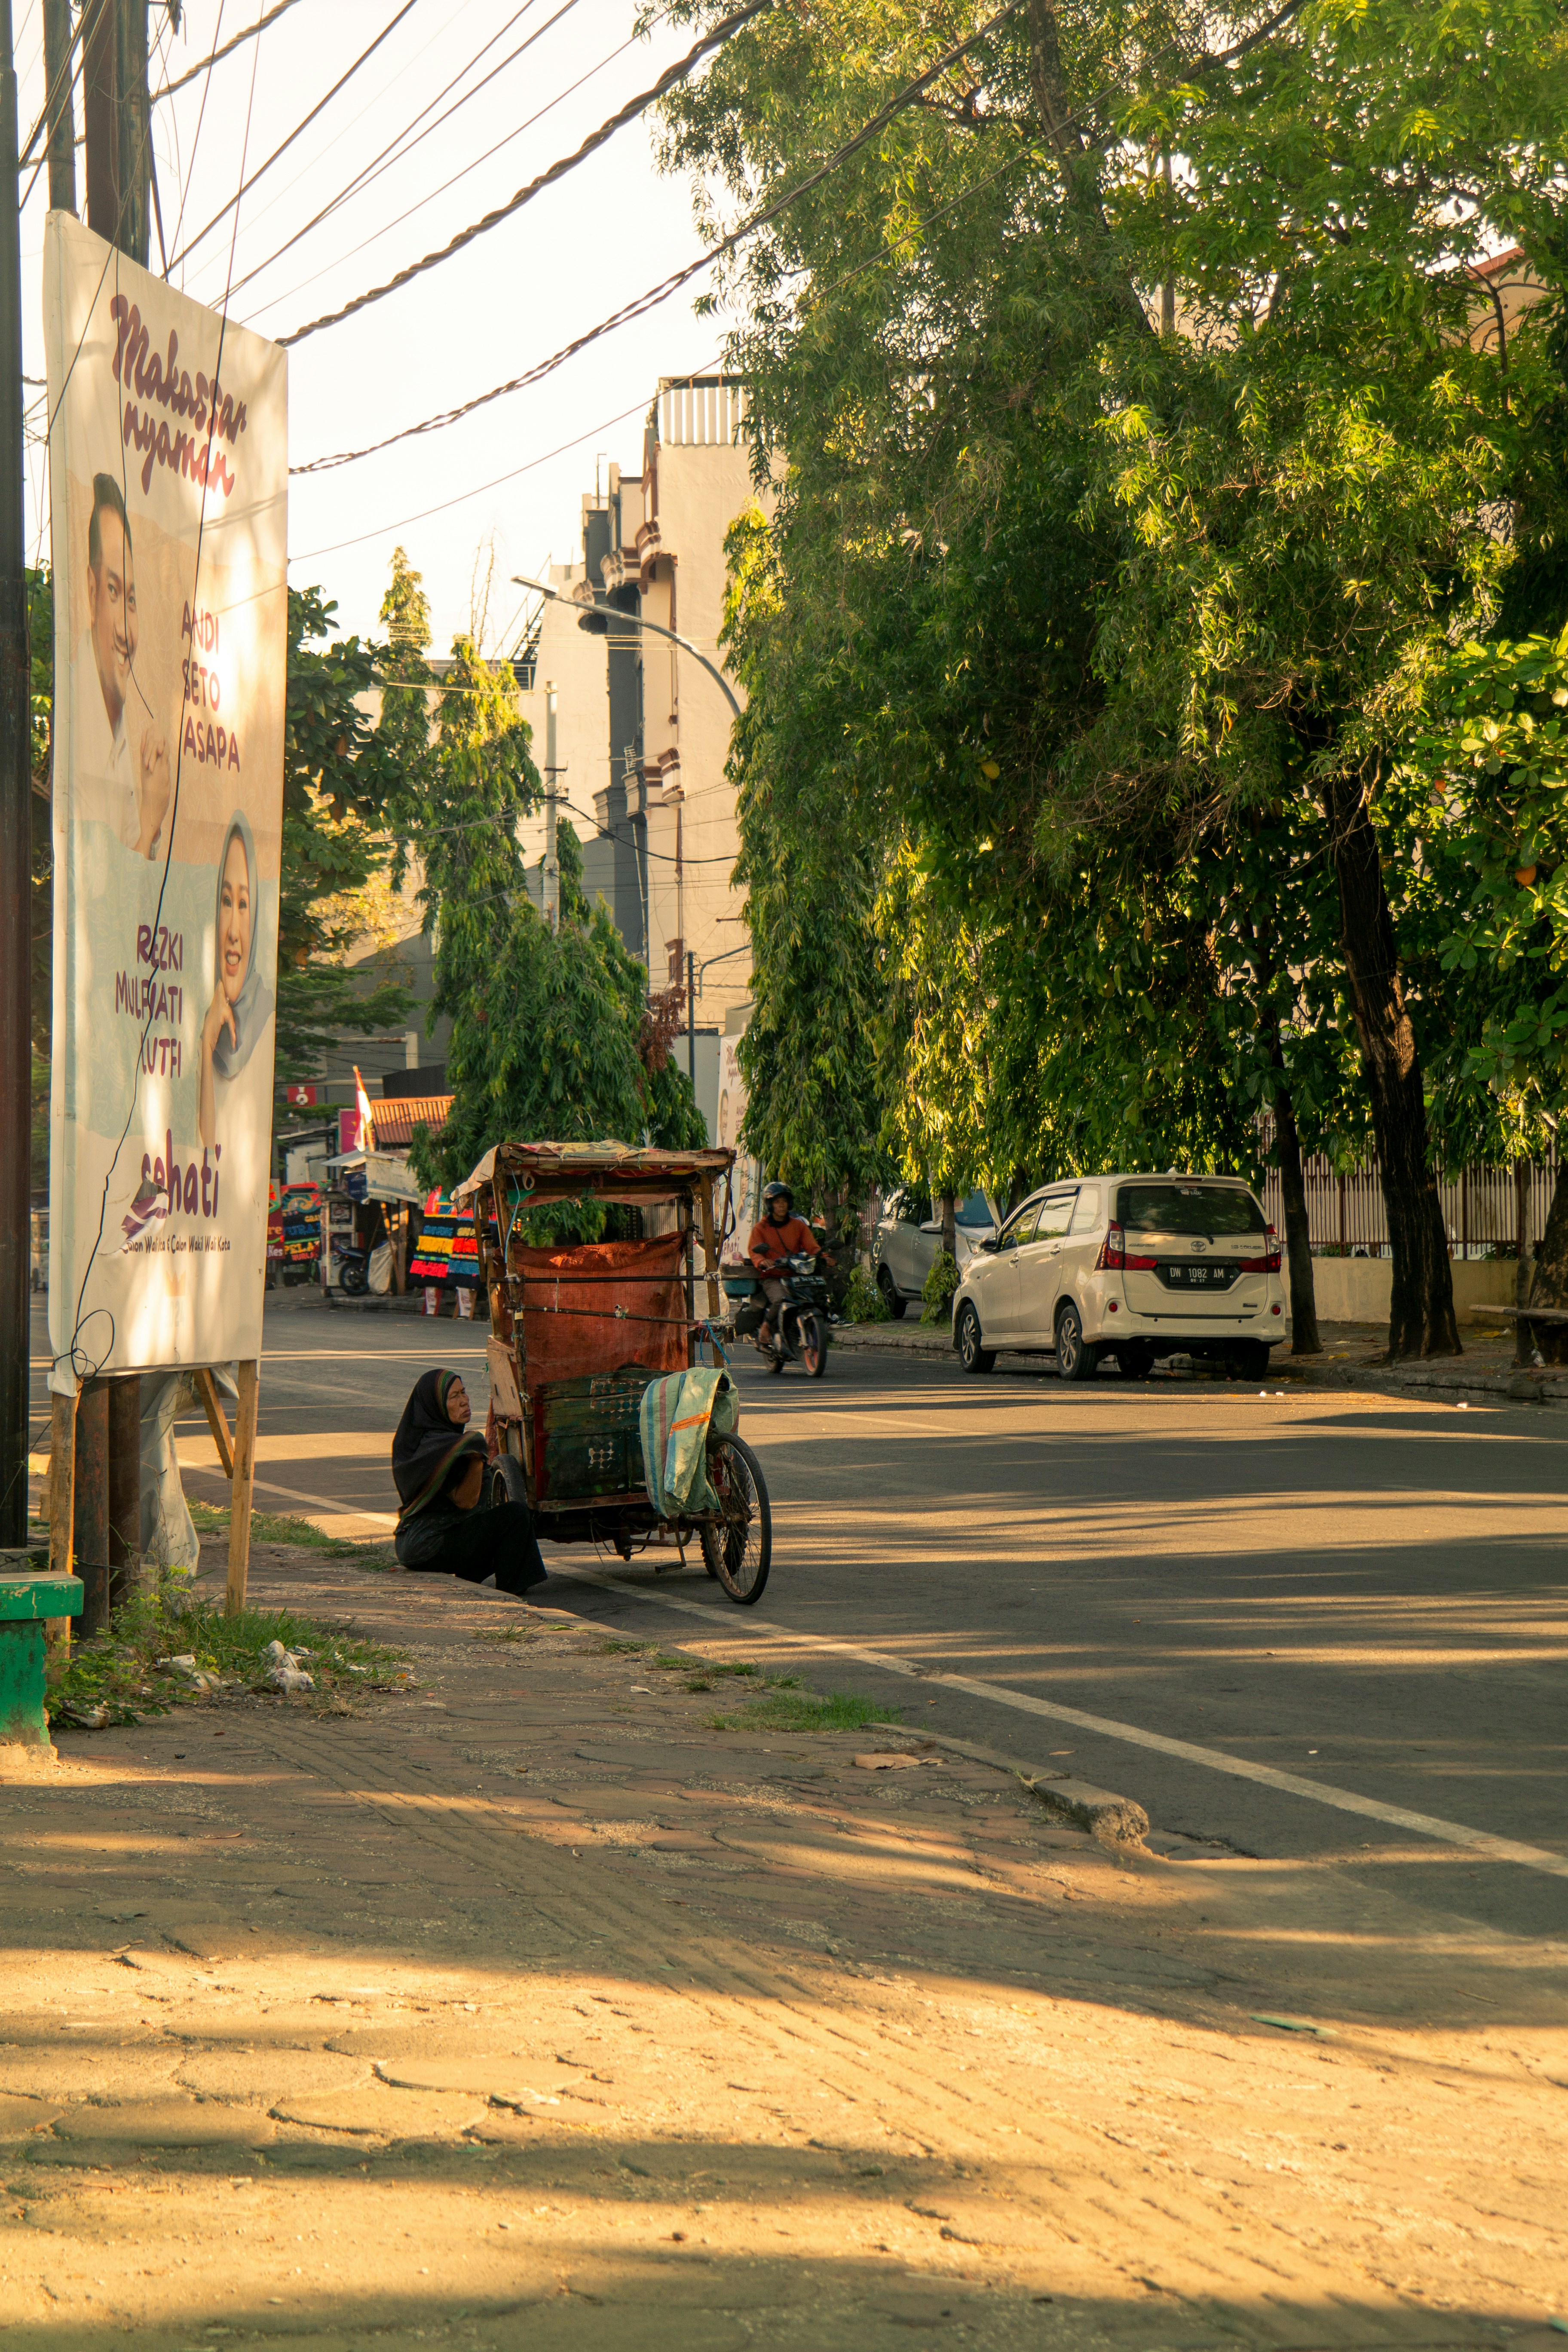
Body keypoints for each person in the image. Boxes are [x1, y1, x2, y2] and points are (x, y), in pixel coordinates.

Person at [73, 472, 169, 858]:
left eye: (131, 598)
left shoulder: (116, 719)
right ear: (92, 591)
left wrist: (152, 801)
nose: (127, 632)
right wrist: (151, 821)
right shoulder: (76, 725)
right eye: (113, 591)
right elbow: (107, 902)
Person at [391, 1368, 547, 1596]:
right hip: (430, 1544)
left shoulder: (419, 1442)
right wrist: (476, 1458)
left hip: (414, 1542)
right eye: (454, 1397)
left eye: (464, 1393)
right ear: (435, 1405)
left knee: (491, 1523)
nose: (465, 1401)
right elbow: (466, 1502)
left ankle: (472, 1576)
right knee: (515, 1515)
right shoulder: (448, 1448)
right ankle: (511, 1592)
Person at [199, 811, 274, 1148]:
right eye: (226, 901)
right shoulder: (203, 1017)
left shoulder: (264, 1020)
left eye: (243, 905)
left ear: (256, 918)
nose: (232, 931)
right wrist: (205, 1044)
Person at [747, 1180, 821, 1354]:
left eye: (784, 1201)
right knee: (781, 1300)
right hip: (773, 1277)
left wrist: (823, 1256)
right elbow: (754, 1251)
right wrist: (762, 1261)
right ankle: (766, 1329)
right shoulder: (761, 1228)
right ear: (770, 1205)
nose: (782, 1205)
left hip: (795, 1275)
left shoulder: (799, 1226)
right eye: (777, 1202)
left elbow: (812, 1247)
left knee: (816, 1294)